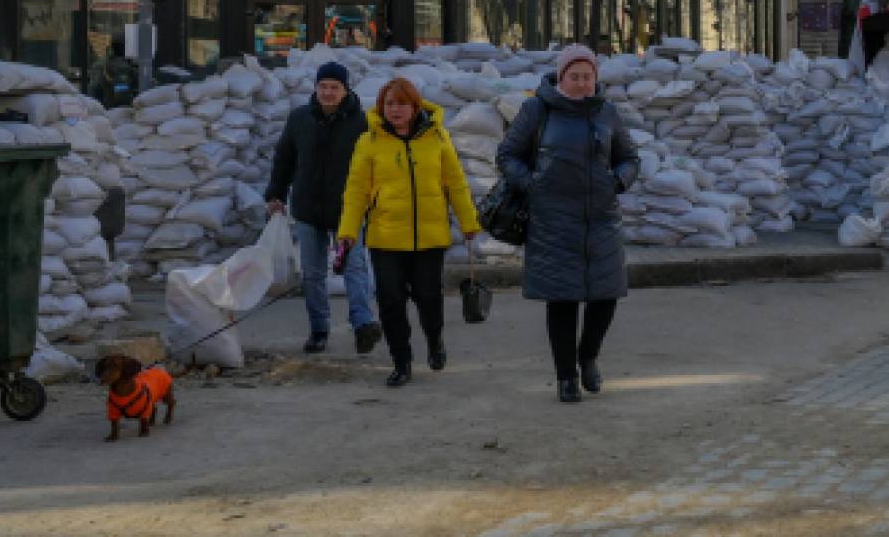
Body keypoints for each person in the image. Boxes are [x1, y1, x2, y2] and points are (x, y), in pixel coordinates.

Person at [497, 45, 638, 404]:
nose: (581, 84)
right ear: (561, 77)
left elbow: (629, 158)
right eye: (574, 77)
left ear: (596, 78)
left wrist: (618, 181)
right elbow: (507, 154)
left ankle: (588, 355)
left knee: (605, 296)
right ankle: (566, 376)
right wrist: (532, 184)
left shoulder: (606, 113)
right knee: (562, 300)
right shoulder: (537, 109)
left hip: (600, 220)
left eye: (587, 77)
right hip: (553, 220)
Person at [338, 78, 482, 388]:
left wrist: (468, 222)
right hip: (385, 238)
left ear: (415, 106)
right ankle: (401, 361)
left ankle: (434, 341)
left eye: (402, 103)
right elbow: (356, 191)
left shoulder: (438, 138)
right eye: (389, 104)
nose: (396, 110)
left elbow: (455, 183)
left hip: (429, 239)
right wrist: (347, 232)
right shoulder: (369, 142)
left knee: (429, 299)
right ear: (381, 107)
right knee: (391, 302)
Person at [265, 62, 380, 356]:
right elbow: (284, 160)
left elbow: (374, 168)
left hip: (348, 211)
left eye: (334, 87)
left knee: (355, 267)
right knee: (313, 274)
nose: (328, 92)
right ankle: (319, 328)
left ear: (346, 90)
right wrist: (275, 194)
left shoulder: (363, 124)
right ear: (315, 88)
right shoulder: (299, 119)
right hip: (307, 209)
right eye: (323, 86)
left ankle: (363, 325)